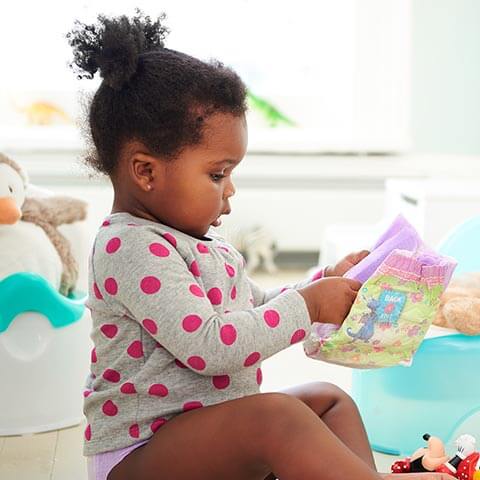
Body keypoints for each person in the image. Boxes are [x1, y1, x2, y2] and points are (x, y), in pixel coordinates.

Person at [68, 10, 452, 480]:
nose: (229, 191)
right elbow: (210, 346)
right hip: (140, 456)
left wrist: (323, 287)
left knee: (328, 400)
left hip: (206, 439)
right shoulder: (130, 247)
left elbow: (256, 309)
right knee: (276, 417)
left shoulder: (201, 244)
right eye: (217, 174)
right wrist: (308, 307)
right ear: (145, 171)